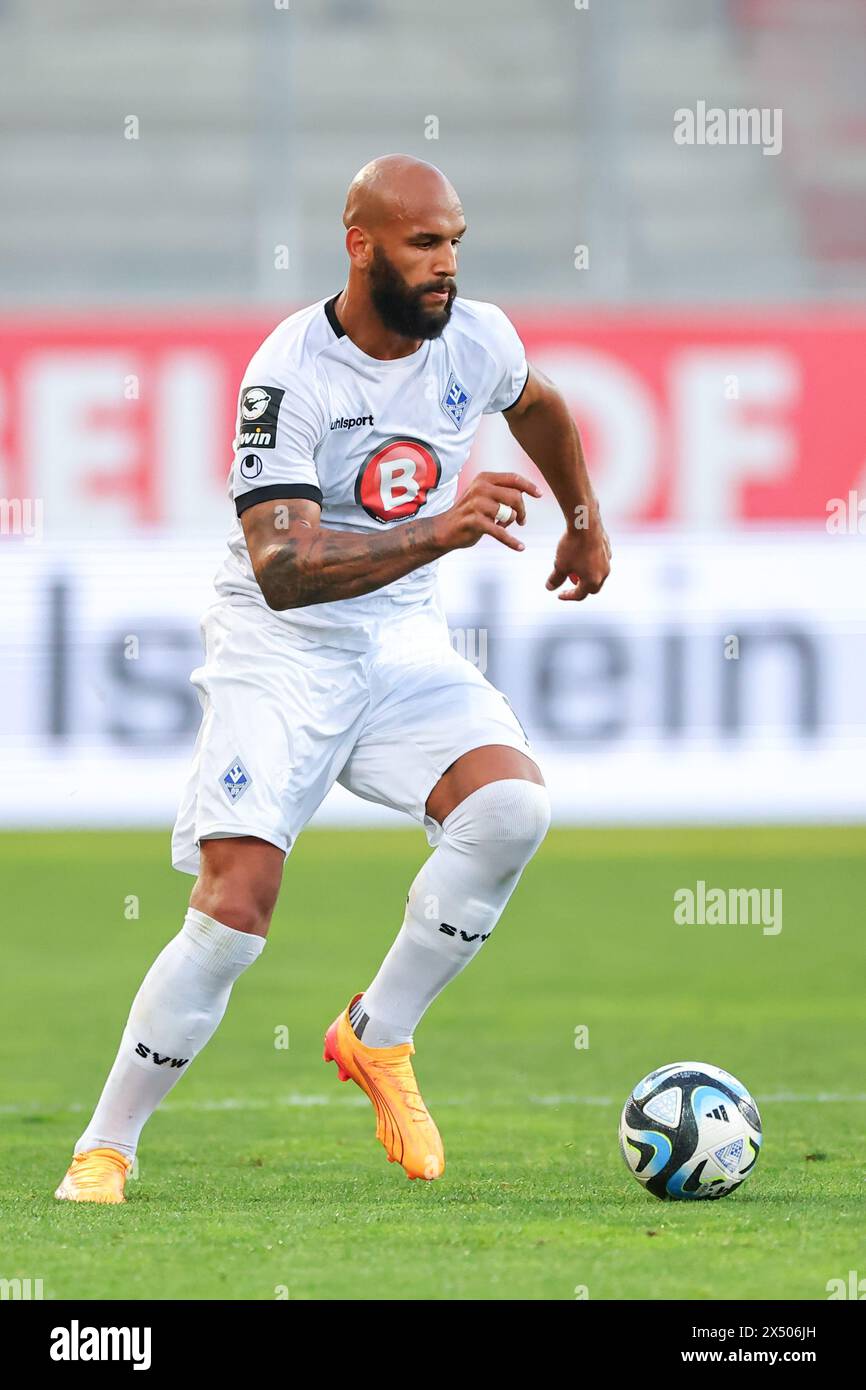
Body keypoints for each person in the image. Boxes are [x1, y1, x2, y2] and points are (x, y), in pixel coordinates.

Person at [55, 154, 610, 1202]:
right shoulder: (287, 378)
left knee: (508, 808)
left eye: (454, 241)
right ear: (361, 245)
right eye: (422, 244)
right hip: (283, 653)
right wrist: (439, 529)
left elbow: (535, 404)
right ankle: (107, 1144)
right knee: (232, 913)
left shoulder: (475, 337)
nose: (445, 265)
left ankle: (377, 1036)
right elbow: (285, 572)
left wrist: (583, 522)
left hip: (398, 642)